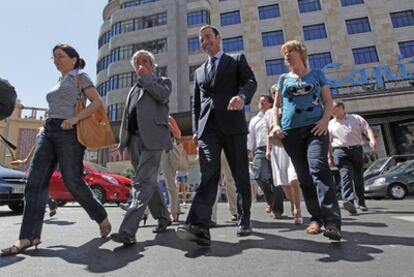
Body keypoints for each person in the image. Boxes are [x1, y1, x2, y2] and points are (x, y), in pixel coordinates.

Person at [1, 43, 111, 256]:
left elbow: (97, 102)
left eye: (61, 56)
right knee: (34, 182)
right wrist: (45, 125)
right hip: (49, 130)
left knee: (73, 181)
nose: (57, 61)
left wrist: (74, 119)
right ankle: (28, 236)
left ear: (73, 59)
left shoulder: (80, 77)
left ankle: (100, 215)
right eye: (54, 58)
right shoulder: (58, 82)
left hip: (69, 131)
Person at [176, 25, 257, 246]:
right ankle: (198, 225)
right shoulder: (199, 71)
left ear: (218, 38)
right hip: (207, 130)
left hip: (232, 125)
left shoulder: (236, 59)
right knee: (209, 173)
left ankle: (244, 218)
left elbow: (250, 82)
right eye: (201, 40)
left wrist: (242, 96)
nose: (205, 42)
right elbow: (196, 105)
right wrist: (195, 129)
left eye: (208, 37)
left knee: (240, 175)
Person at [269, 40, 342, 241]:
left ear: (301, 54)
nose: (287, 55)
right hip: (290, 132)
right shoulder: (283, 79)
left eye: (290, 51)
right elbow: (276, 106)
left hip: (315, 129)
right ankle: (315, 219)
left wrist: (325, 120)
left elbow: (328, 100)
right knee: (304, 177)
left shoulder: (317, 74)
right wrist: (276, 125)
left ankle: (332, 222)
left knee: (318, 168)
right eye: (285, 53)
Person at [110, 49, 172, 245]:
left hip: (153, 140)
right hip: (134, 141)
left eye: (145, 62)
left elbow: (162, 96)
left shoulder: (162, 81)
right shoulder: (133, 89)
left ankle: (128, 230)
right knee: (149, 182)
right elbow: (127, 117)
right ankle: (164, 217)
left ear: (153, 66)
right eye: (138, 63)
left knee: (141, 183)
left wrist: (146, 79)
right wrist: (123, 140)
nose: (141, 65)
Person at [328, 101, 377, 214]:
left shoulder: (356, 118)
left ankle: (361, 202)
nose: (330, 111)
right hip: (340, 151)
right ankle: (349, 202)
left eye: (333, 108)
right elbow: (329, 142)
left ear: (341, 107)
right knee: (345, 176)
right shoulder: (330, 124)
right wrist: (329, 156)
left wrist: (372, 139)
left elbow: (367, 129)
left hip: (356, 149)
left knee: (358, 177)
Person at [265, 88, 303, 225]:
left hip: (293, 146)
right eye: (274, 93)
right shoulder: (269, 113)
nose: (277, 95)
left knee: (294, 178)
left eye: (279, 92)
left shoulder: (293, 105)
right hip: (278, 149)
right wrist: (268, 150)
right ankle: (293, 203)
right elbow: (268, 132)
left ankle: (297, 210)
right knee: (284, 183)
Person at [248, 95, 285, 219]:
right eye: (260, 101)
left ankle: (278, 209)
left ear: (270, 104)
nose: (261, 103)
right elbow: (251, 137)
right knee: (258, 175)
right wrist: (248, 150)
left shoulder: (275, 115)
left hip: (276, 147)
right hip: (259, 150)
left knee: (276, 179)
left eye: (264, 101)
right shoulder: (254, 120)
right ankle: (270, 199)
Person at [11, 127, 58, 217]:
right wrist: (26, 160)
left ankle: (41, 207)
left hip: (46, 161)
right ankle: (49, 203)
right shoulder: (41, 130)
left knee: (34, 185)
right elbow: (35, 146)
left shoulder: (54, 130)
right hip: (36, 161)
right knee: (35, 185)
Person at [160, 115, 182, 222]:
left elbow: (178, 134)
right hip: (156, 149)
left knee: (170, 183)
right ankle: (142, 212)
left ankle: (174, 212)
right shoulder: (151, 117)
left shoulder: (168, 118)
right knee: (148, 181)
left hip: (169, 150)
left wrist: (168, 125)